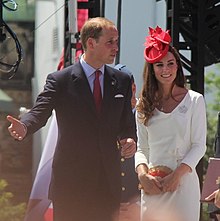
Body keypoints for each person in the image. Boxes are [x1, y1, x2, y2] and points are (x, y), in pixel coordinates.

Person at [6, 17, 137, 221]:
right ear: (91, 43)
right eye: (110, 42)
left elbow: (126, 124)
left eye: (116, 41)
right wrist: (24, 126)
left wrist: (129, 139)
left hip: (107, 184)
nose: (116, 48)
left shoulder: (122, 80)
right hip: (70, 184)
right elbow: (40, 111)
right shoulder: (60, 80)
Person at [134, 26, 207, 221]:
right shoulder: (143, 103)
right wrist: (142, 175)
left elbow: (199, 146)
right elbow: (142, 148)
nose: (165, 70)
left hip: (183, 185)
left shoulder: (195, 100)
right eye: (159, 65)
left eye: (170, 63)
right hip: (152, 186)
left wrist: (177, 176)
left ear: (177, 66)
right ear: (151, 69)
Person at [114, 64, 140, 221]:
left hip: (140, 207)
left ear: (133, 88)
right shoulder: (104, 121)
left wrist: (140, 204)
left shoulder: (147, 118)